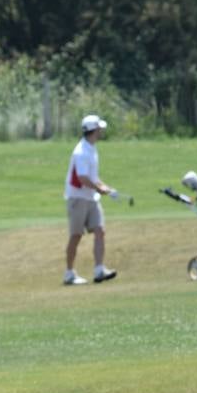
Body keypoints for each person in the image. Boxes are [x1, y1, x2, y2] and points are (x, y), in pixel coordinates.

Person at [63, 114, 120, 285]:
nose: (101, 131)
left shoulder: (92, 147)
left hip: (91, 198)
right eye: (99, 128)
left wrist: (106, 188)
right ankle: (69, 273)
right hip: (77, 198)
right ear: (93, 130)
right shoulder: (81, 151)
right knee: (76, 236)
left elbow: (92, 177)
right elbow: (82, 178)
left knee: (100, 231)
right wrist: (99, 188)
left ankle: (99, 270)